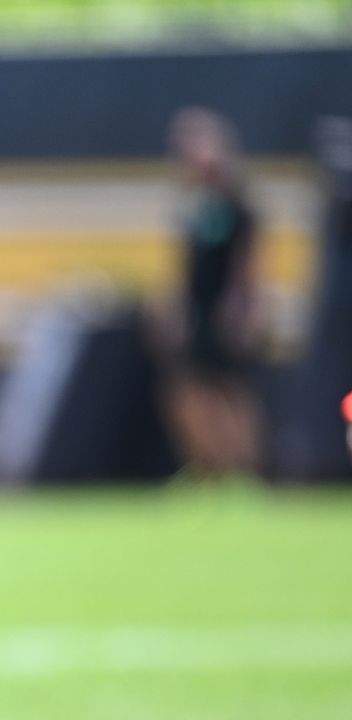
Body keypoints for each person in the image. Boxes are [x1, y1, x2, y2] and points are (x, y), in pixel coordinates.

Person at [157, 107, 264, 479]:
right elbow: (183, 267)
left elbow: (244, 266)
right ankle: (206, 467)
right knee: (187, 391)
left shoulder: (237, 207)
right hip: (197, 309)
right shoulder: (192, 206)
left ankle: (244, 468)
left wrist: (241, 308)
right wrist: (175, 306)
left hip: (224, 309)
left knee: (231, 390)